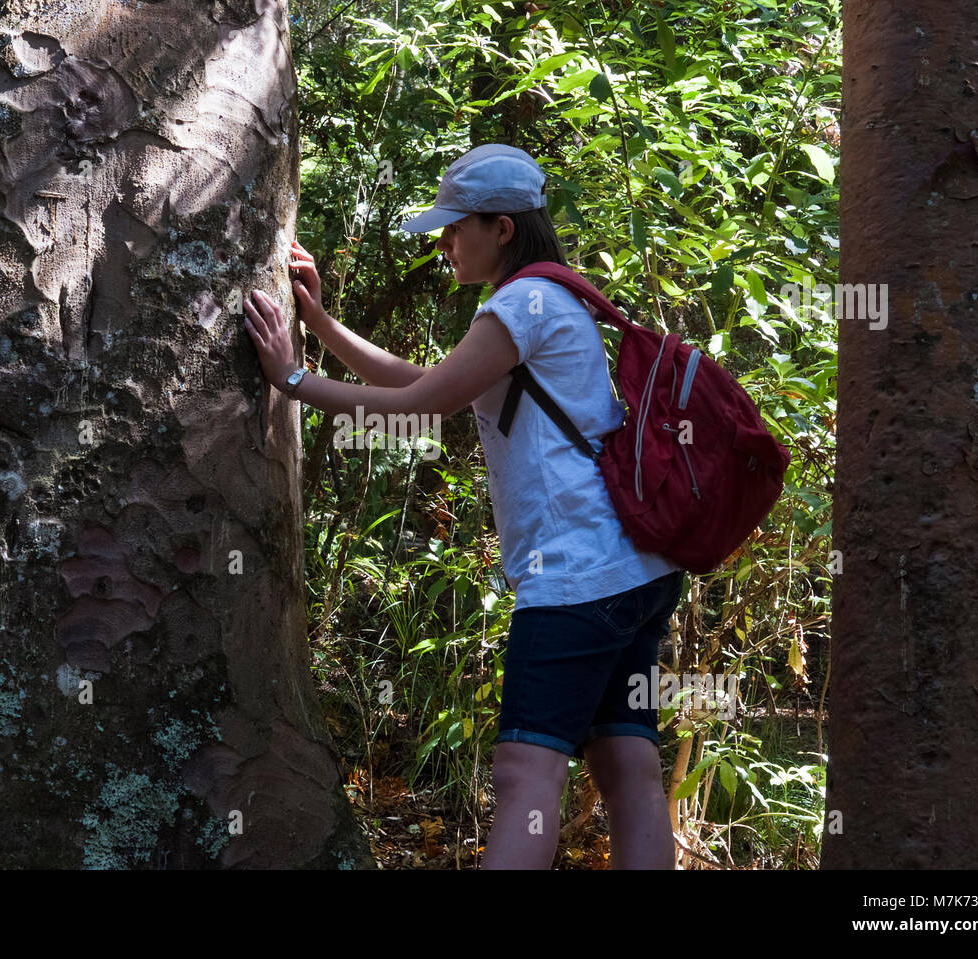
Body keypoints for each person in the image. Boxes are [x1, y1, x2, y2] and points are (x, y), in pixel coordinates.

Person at [243, 143, 686, 869]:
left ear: (502, 227)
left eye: (456, 228)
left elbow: (422, 403)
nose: (445, 243)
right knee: (626, 766)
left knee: (525, 772)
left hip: (577, 577)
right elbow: (428, 377)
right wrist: (318, 327)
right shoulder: (549, 296)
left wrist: (292, 379)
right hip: (633, 572)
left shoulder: (523, 303)